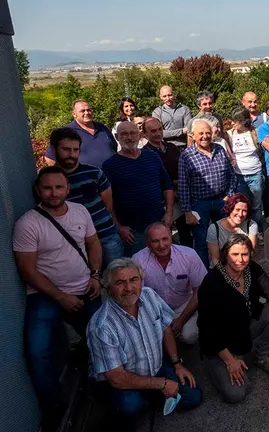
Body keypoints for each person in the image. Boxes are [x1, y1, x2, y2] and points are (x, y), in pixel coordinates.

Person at [13, 167, 103, 430]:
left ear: (68, 189)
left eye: (58, 187)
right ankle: (54, 406)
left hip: (86, 287)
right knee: (38, 351)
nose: (53, 193)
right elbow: (27, 270)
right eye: (47, 188)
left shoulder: (80, 211)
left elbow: (93, 244)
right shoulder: (27, 223)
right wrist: (60, 296)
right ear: (38, 191)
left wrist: (96, 276)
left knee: (103, 338)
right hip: (45, 294)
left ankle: (103, 383)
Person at [87, 259, 201, 430]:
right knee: (131, 406)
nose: (129, 288)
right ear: (109, 289)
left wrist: (177, 364)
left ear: (141, 281)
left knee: (194, 397)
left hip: (153, 368)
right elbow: (117, 379)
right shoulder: (102, 326)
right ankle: (123, 405)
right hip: (121, 382)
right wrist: (162, 384)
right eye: (120, 282)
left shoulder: (148, 295)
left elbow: (166, 329)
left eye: (134, 280)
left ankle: (150, 396)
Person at [197, 234, 269, 404]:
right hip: (219, 345)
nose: (240, 260)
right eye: (235, 254)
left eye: (245, 254)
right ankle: (224, 363)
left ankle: (260, 357)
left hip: (244, 330)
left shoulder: (251, 269)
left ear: (251, 254)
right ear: (226, 254)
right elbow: (206, 328)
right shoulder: (212, 282)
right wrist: (230, 361)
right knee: (236, 394)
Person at [50, 127, 123, 266]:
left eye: (75, 150)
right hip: (75, 243)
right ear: (54, 149)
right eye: (66, 149)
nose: (71, 154)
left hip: (106, 236)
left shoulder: (94, 172)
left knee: (117, 275)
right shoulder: (49, 180)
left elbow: (108, 205)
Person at [102, 122, 174, 257]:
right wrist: (118, 227)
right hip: (132, 233)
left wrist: (169, 214)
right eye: (124, 134)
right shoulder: (109, 165)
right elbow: (107, 202)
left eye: (133, 133)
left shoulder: (152, 156)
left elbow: (167, 187)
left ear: (140, 135)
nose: (129, 137)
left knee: (165, 263)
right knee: (137, 270)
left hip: (159, 224)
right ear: (117, 137)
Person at [132, 223, 207, 345]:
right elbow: (136, 296)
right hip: (155, 309)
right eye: (155, 241)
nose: (161, 245)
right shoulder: (137, 260)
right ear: (147, 243)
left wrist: (181, 321)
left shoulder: (189, 255)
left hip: (183, 305)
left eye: (165, 239)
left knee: (189, 336)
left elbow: (200, 290)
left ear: (171, 237)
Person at [178, 118, 237, 267]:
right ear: (192, 135)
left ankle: (227, 268)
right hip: (199, 204)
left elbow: (231, 175)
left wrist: (229, 195)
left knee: (225, 237)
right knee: (201, 241)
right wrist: (187, 211)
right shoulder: (186, 155)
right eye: (201, 133)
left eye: (208, 133)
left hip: (221, 201)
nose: (205, 136)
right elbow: (183, 185)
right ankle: (204, 275)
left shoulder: (220, 149)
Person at [142, 117, 192, 247]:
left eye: (160, 129)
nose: (158, 133)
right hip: (162, 201)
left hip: (181, 197)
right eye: (153, 131)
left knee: (186, 232)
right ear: (145, 134)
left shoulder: (172, 147)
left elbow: (183, 170)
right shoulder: (144, 154)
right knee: (165, 234)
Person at [44, 100, 117, 167]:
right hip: (85, 179)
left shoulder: (102, 127)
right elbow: (50, 158)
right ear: (74, 114)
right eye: (83, 111)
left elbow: (114, 148)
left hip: (112, 175)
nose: (87, 113)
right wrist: (65, 175)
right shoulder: (67, 132)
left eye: (88, 110)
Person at [229, 108, 265, 232]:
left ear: (243, 121)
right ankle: (243, 230)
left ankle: (257, 230)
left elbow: (262, 150)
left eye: (235, 121)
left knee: (256, 205)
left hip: (255, 174)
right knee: (241, 205)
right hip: (239, 175)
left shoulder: (255, 132)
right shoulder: (230, 134)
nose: (233, 124)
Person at [207, 193, 258, 267]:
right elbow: (215, 258)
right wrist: (225, 277)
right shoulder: (214, 229)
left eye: (244, 211)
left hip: (243, 266)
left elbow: (250, 254)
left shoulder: (251, 226)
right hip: (220, 268)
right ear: (230, 209)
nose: (240, 214)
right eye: (237, 210)